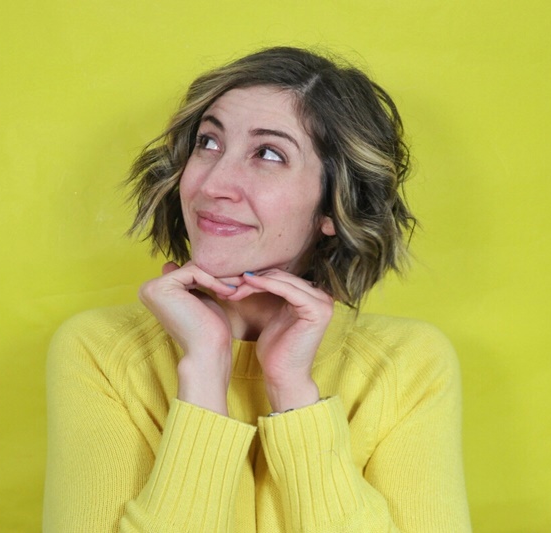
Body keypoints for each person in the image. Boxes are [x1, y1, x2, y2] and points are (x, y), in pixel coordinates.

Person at [43, 46, 471, 532]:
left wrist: (294, 391)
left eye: (269, 154)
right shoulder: (100, 352)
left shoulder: (407, 366)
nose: (213, 184)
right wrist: (204, 369)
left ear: (334, 206)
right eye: (208, 143)